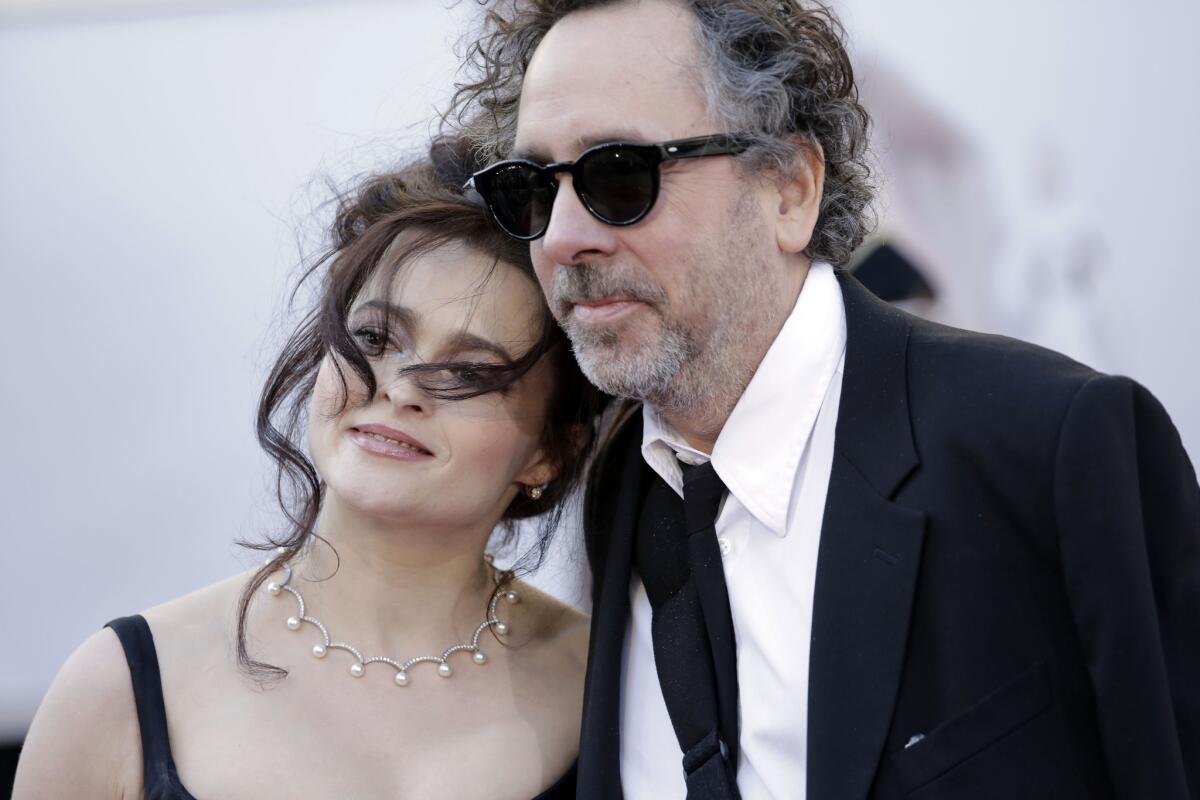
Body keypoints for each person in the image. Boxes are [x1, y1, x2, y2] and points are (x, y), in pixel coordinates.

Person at [449, 1, 1200, 798]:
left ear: (789, 188)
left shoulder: (1053, 448)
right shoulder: (616, 494)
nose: (563, 237)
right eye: (531, 189)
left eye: (619, 175)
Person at [13, 154, 602, 799]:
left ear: (551, 449)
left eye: (468, 372)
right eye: (376, 338)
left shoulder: (610, 685)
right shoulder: (122, 684)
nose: (402, 388)